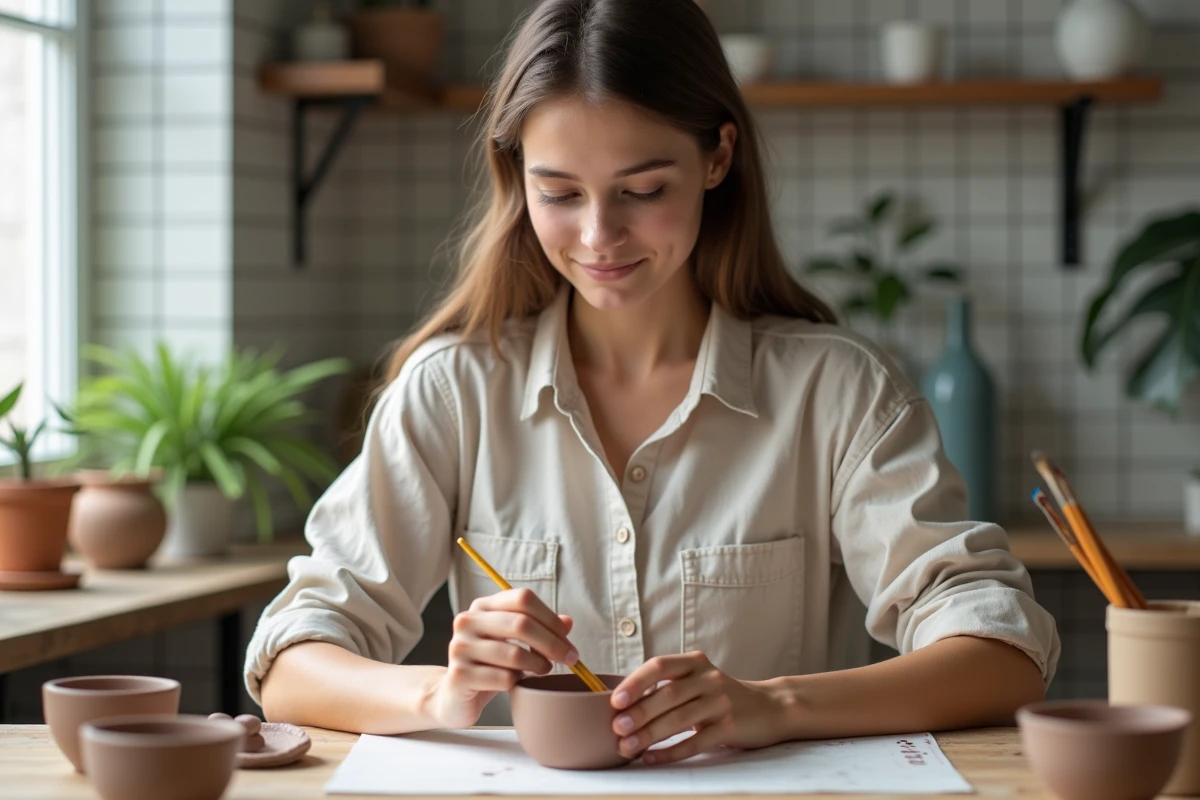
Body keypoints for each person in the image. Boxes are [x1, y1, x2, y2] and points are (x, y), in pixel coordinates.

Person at [246, 0, 1059, 766]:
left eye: (642, 191)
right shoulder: (453, 393)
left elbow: (1004, 650)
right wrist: (439, 692)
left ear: (718, 157)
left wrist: (774, 705)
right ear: (518, 176)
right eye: (559, 193)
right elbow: (289, 661)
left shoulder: (838, 394)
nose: (599, 235)